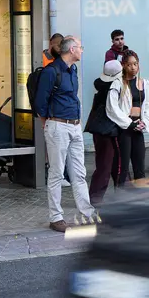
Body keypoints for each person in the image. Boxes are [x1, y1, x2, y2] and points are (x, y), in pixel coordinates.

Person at [34, 36, 96, 232]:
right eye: (80, 47)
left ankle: (87, 213)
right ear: (71, 50)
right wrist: (48, 124)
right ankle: (56, 217)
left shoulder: (72, 70)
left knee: (79, 172)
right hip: (58, 125)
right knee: (56, 173)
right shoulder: (51, 72)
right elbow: (39, 103)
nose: (82, 51)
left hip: (74, 125)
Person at [107, 50, 149, 187]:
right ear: (123, 65)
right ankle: (121, 198)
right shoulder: (118, 83)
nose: (133, 67)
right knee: (122, 168)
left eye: (135, 64)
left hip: (138, 128)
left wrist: (144, 123)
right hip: (124, 129)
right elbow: (112, 107)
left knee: (140, 166)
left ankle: (140, 199)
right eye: (129, 64)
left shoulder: (144, 83)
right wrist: (129, 124)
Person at [84, 60, 122, 205]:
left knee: (105, 163)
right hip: (108, 130)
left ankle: (96, 196)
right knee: (110, 164)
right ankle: (96, 197)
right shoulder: (113, 88)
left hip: (99, 130)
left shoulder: (101, 86)